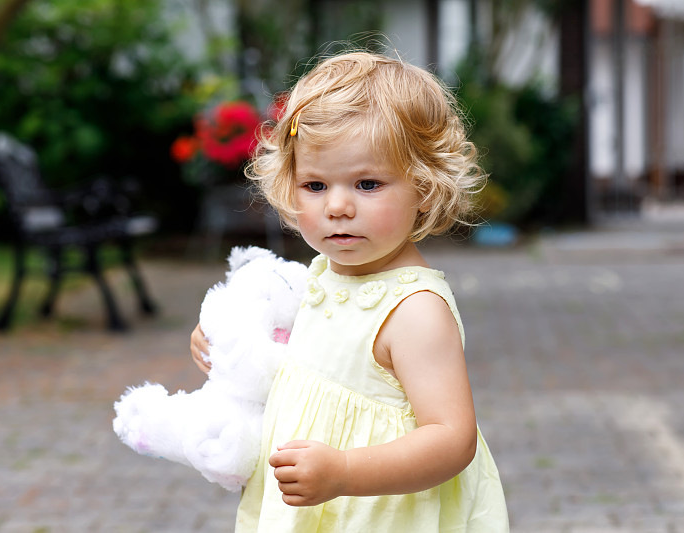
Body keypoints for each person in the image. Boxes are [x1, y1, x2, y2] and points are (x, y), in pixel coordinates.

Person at [190, 50, 509, 532]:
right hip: (316, 507)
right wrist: (228, 344)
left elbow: (452, 439)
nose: (338, 206)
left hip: (379, 513)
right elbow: (308, 359)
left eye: (366, 183)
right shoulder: (325, 274)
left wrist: (344, 472)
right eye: (315, 185)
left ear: (423, 187)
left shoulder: (414, 311)